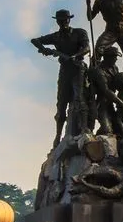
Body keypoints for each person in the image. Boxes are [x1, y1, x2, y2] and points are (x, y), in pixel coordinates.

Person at [31, 9, 91, 147]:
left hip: (78, 69)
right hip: (65, 70)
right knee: (61, 103)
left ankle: (84, 129)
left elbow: (87, 47)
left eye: (65, 20)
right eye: (60, 20)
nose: (63, 22)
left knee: (79, 98)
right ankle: (58, 135)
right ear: (57, 21)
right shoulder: (55, 36)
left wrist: (75, 56)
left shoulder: (79, 32)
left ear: (69, 19)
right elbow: (34, 40)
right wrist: (44, 49)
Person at [87, 46, 123, 136]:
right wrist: (122, 103)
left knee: (119, 129)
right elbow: (106, 91)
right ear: (107, 57)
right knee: (107, 131)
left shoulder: (114, 68)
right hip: (101, 104)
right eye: (114, 57)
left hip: (111, 103)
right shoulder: (99, 71)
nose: (116, 59)